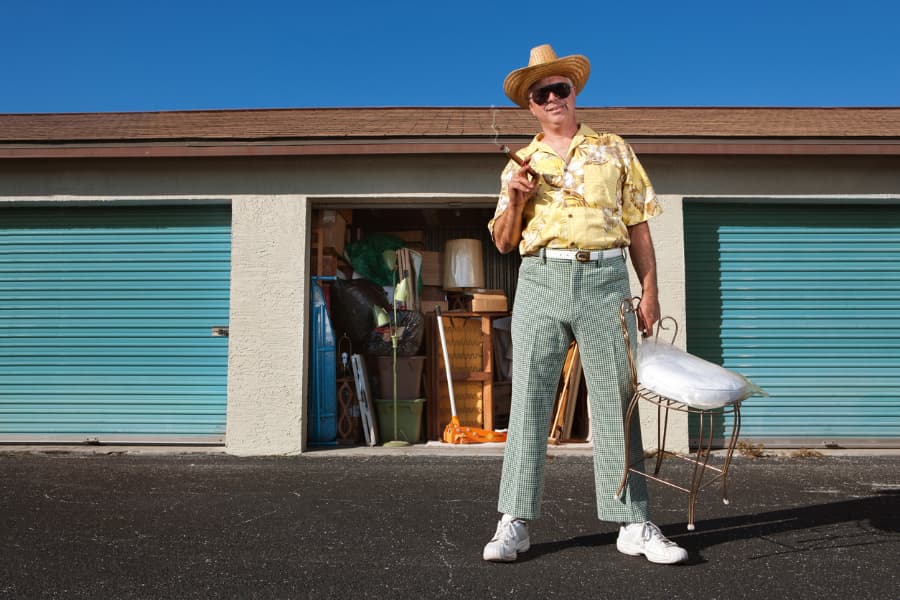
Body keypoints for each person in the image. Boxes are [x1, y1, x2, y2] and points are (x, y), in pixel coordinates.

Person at [483, 44, 688, 565]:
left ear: (574, 93)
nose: (552, 98)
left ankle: (632, 523)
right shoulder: (521, 164)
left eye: (560, 88)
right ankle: (515, 521)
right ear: (530, 106)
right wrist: (517, 198)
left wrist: (651, 291)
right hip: (540, 280)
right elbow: (504, 242)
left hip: (605, 279)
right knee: (529, 398)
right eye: (540, 93)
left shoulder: (614, 148)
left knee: (617, 403)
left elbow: (639, 223)